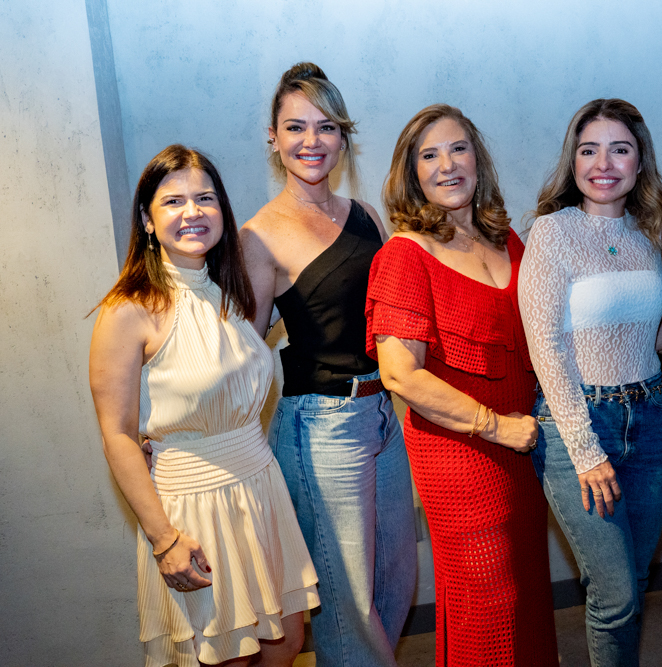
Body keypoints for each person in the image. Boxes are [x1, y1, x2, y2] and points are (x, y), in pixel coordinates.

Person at [89, 145, 318, 667]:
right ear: (147, 220)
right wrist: (164, 540)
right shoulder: (128, 310)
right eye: (173, 202)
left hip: (260, 490)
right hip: (194, 507)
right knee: (227, 657)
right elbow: (118, 434)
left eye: (205, 198)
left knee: (285, 645)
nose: (192, 212)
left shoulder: (230, 292)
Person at [366, 104, 558, 666]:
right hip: (461, 450)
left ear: (478, 159)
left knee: (527, 587)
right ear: (412, 174)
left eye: (458, 149)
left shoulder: (508, 240)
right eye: (429, 156)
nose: (447, 165)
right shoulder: (405, 256)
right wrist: (495, 427)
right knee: (489, 598)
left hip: (525, 445)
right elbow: (400, 374)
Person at [239, 63, 417, 667]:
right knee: (347, 604)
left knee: (395, 579)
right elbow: (243, 350)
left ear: (343, 136)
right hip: (321, 426)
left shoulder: (366, 213)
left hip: (383, 414)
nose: (311, 141)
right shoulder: (259, 236)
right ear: (273, 138)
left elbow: (394, 314)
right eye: (295, 127)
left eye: (326, 127)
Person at [518, 99, 662, 666]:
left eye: (619, 149)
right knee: (616, 595)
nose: (603, 163)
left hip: (652, 416)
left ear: (640, 162)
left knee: (633, 581)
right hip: (579, 422)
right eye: (589, 150)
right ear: (573, 160)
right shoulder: (551, 232)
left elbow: (653, 329)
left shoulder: (648, 233)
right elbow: (547, 346)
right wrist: (586, 451)